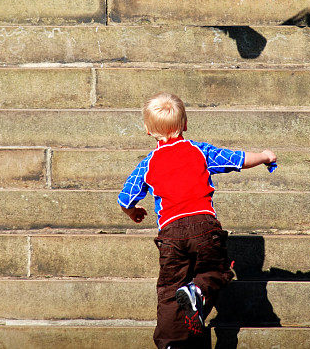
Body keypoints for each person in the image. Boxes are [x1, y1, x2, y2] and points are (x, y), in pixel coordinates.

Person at [118, 92, 277, 349]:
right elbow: (237, 159)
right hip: (205, 227)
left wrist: (133, 212)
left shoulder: (147, 164)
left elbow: (125, 198)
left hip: (170, 233)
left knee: (170, 290)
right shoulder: (199, 151)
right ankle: (199, 291)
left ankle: (170, 344)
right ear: (186, 124)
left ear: (148, 131)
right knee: (217, 270)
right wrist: (265, 156)